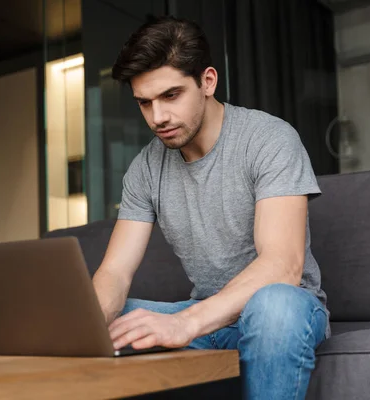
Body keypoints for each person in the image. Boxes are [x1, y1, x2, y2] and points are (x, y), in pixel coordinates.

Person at [91, 16, 330, 400]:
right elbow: (115, 273)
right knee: (94, 317)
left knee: (274, 306)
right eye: (144, 103)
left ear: (207, 81)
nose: (158, 118)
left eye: (170, 96)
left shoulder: (269, 139)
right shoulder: (145, 168)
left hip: (283, 312)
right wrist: (85, 323)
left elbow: (283, 266)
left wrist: (186, 323)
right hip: (206, 318)